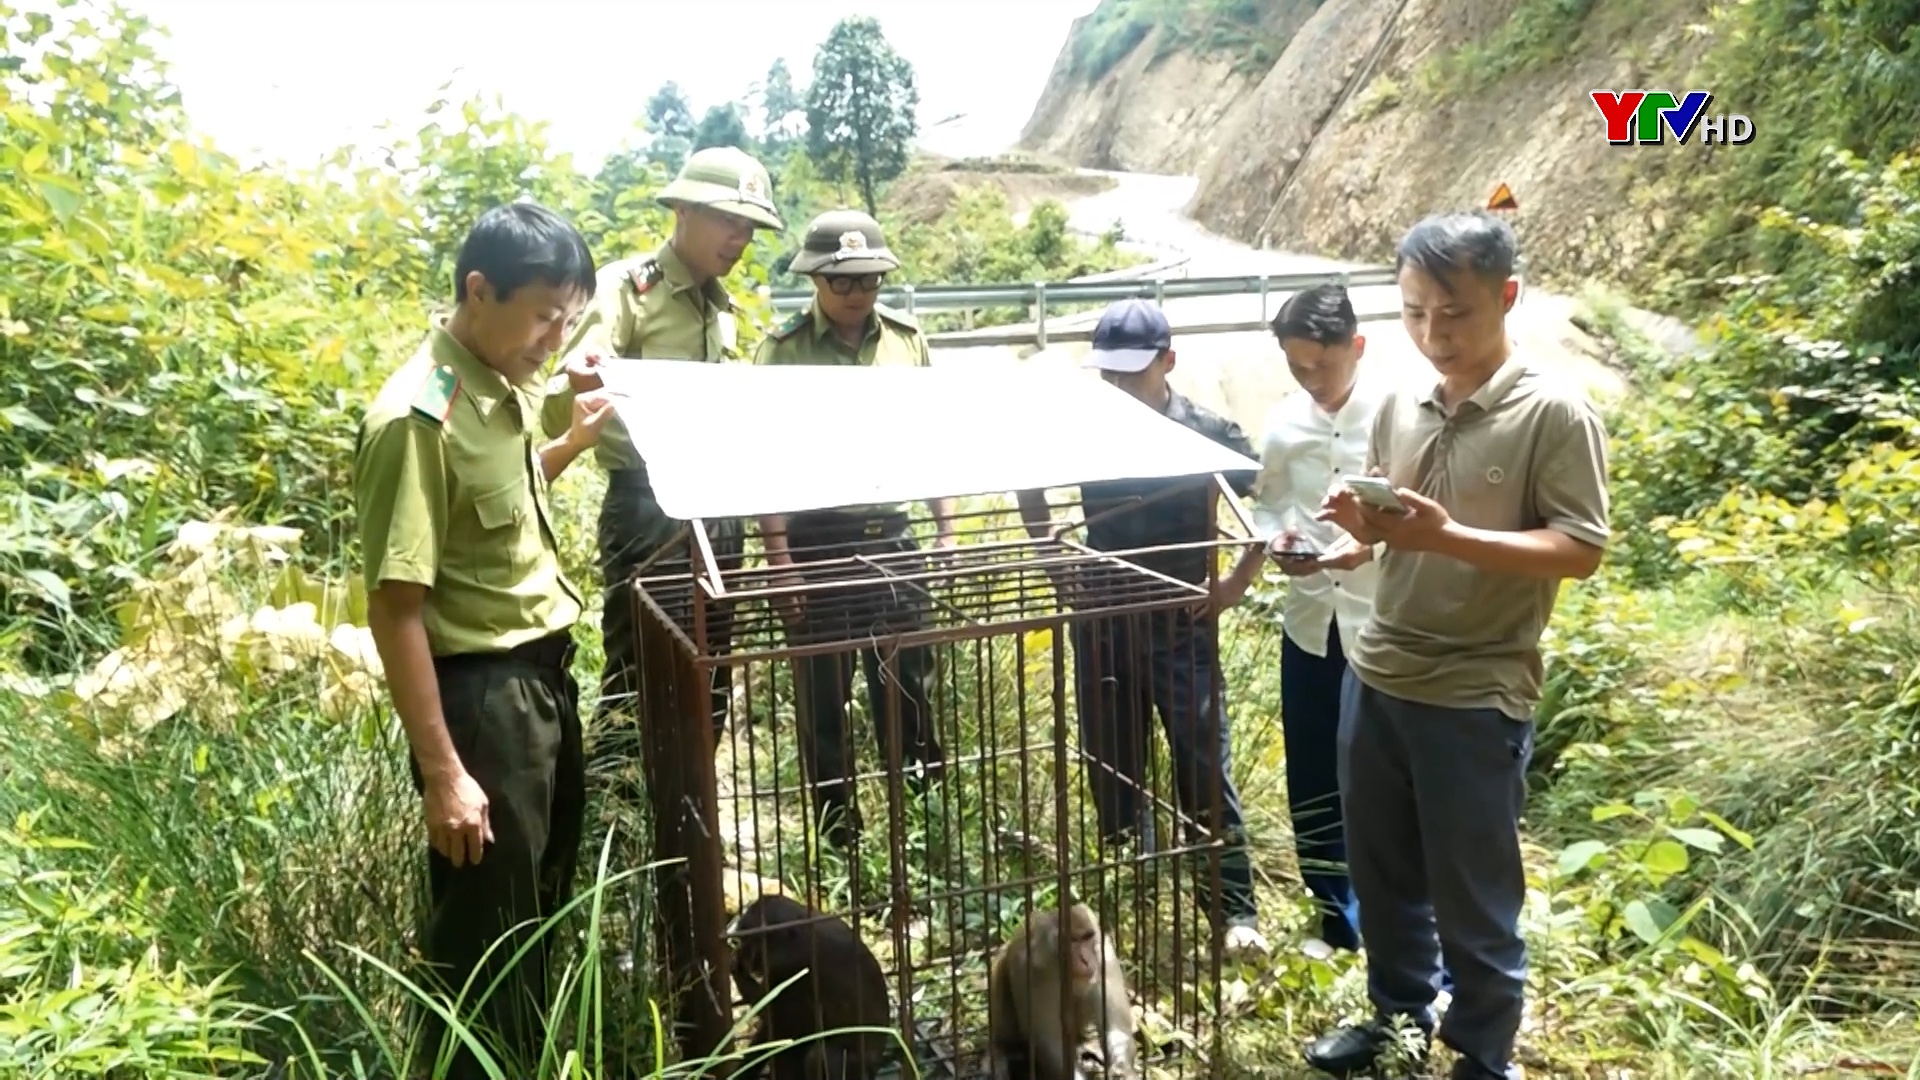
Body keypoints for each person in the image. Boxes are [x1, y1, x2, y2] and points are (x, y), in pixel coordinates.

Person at [1303, 212, 1611, 1080]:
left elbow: (1580, 549)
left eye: (1456, 313)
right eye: (1413, 313)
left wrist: (1446, 539)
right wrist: (1358, 537)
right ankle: (1399, 1018)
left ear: (1507, 296)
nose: (1433, 335)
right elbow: (1400, 523)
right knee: (1383, 871)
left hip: (1477, 690)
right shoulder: (1400, 401)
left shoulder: (1553, 410)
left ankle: (1483, 1054)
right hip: (1380, 669)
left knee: (1476, 901)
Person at [353, 202, 608, 1079]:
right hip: (482, 706)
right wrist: (443, 772)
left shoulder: (500, 390)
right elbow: (396, 607)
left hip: (539, 688)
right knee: (483, 953)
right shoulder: (417, 416)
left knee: (531, 921)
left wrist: (571, 441)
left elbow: (493, 504)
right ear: (477, 289)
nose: (554, 336)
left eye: (568, 316)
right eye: (542, 313)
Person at [1016, 298, 1272, 956]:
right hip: (1101, 615)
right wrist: (1052, 555)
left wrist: (1239, 580)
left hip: (1181, 621)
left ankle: (1233, 910)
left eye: (1133, 374)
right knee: (1112, 760)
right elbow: (1026, 478)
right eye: (1110, 375)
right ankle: (1131, 888)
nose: (1120, 387)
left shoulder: (1202, 429)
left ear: (1168, 362)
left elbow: (1269, 496)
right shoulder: (1084, 426)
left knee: (1201, 758)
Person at [539, 146, 786, 791]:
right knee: (639, 671)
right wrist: (578, 386)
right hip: (648, 513)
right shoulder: (628, 291)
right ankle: (617, 827)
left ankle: (691, 817)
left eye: (749, 227)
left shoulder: (721, 307)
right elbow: (555, 405)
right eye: (727, 220)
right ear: (681, 210)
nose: (740, 238)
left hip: (718, 511)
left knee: (711, 668)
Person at [752, 209, 955, 848]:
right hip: (818, 541)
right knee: (822, 696)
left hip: (893, 536)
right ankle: (841, 834)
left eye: (868, 279)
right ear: (814, 279)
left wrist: (946, 529)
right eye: (842, 282)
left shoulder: (906, 341)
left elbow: (931, 439)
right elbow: (764, 458)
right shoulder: (781, 352)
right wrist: (779, 556)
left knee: (911, 686)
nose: (857, 293)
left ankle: (926, 821)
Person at [1247, 283, 1383, 957]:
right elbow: (1267, 506)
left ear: (1356, 347)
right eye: (1297, 368)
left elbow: (1418, 512)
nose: (1310, 380)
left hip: (1381, 625)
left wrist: (1371, 546)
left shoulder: (1395, 419)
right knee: (1313, 770)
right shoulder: (1283, 424)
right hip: (1309, 622)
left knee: (1382, 771)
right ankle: (1334, 915)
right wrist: (1277, 541)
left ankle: (1395, 914)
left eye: (1321, 366)